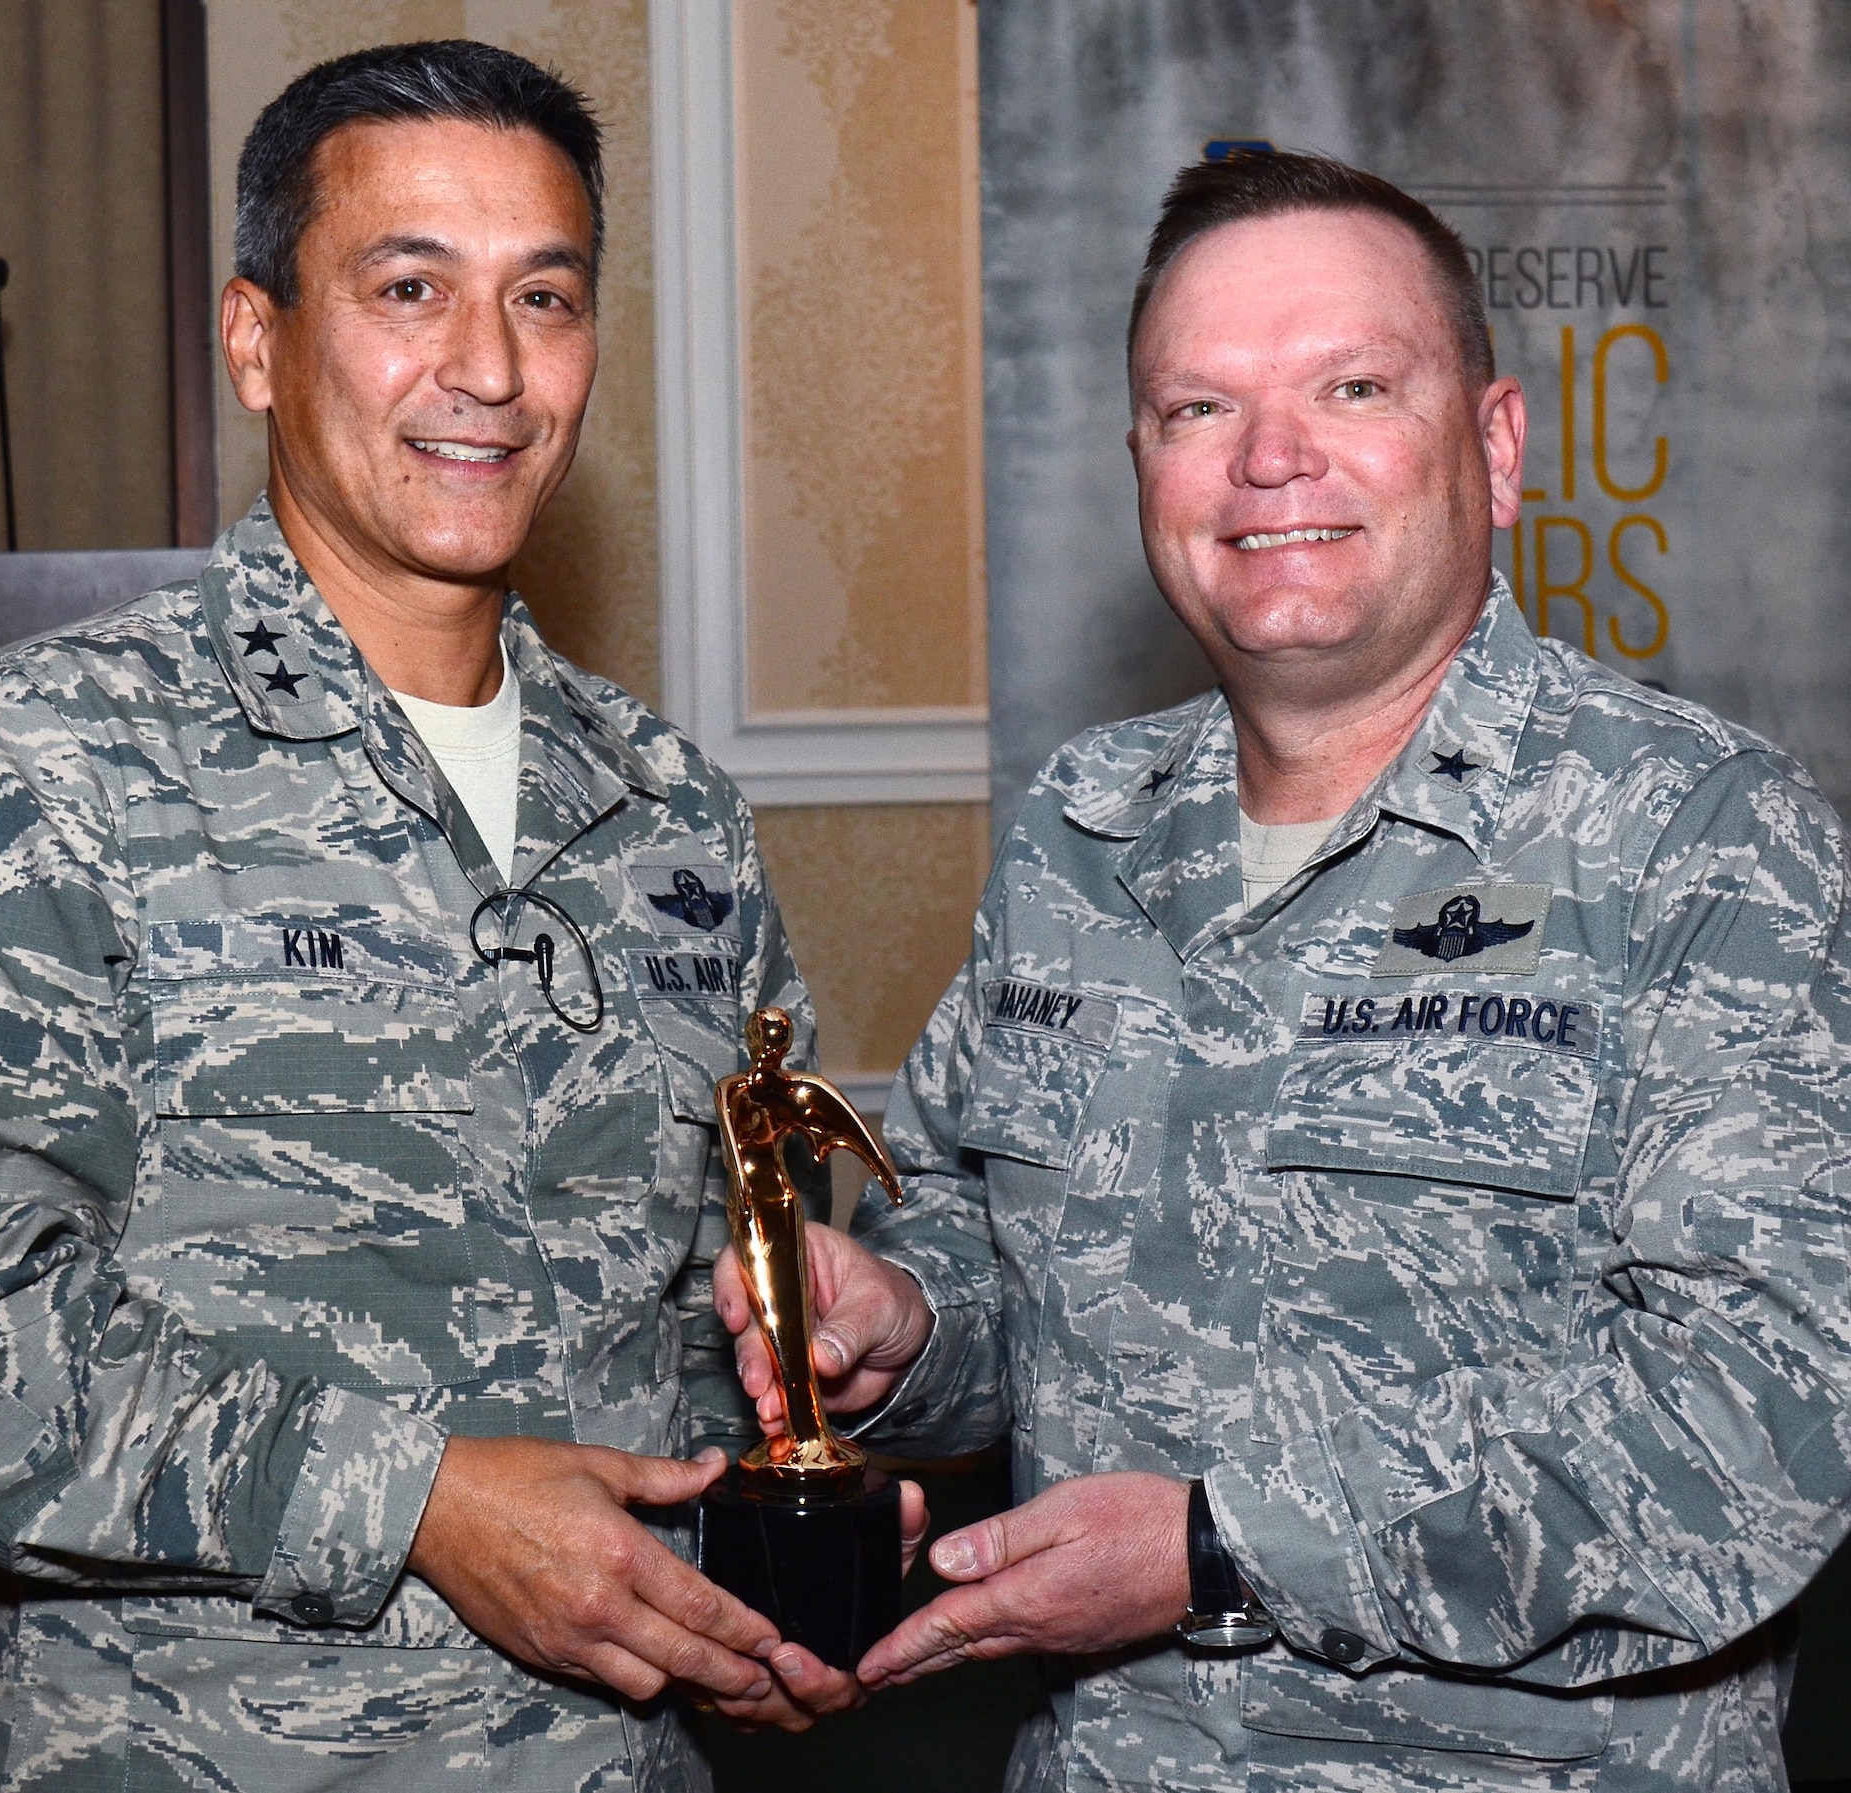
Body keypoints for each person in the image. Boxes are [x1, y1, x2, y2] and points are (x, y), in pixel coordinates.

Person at [721, 152, 1851, 1790]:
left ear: (1497, 447)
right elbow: (986, 1255)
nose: (1268, 460)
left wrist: (1220, 1549)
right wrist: (896, 1323)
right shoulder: (1078, 830)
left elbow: (1762, 1424)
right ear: (1140, 468)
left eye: (1353, 385)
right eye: (1197, 410)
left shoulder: (1699, 837)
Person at [0, 39, 878, 1792]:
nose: (486, 368)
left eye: (544, 298)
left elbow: (724, 1318)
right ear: (256, 338)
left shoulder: (669, 813)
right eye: (410, 288)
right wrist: (412, 1500)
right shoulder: (46, 764)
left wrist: (760, 1567)